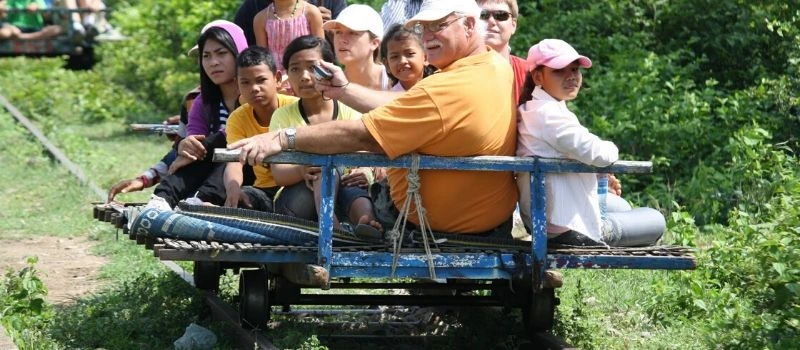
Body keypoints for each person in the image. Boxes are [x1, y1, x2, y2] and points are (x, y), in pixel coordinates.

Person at [230, 0, 519, 236]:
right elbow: (408, 104)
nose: (428, 36)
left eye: (438, 25)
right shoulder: (492, 64)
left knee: (347, 187)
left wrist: (284, 137)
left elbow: (361, 134)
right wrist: (344, 90)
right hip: (485, 216)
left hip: (434, 223)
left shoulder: (447, 87)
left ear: (469, 25)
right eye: (423, 27)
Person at [516, 39, 665, 247]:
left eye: (575, 69)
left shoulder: (535, 108)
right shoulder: (547, 115)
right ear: (538, 77)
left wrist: (596, 177)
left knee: (621, 206)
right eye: (559, 71)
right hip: (562, 228)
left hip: (548, 215)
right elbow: (600, 154)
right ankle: (601, 233)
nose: (571, 76)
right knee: (656, 219)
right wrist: (611, 148)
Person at [268, 35, 378, 231]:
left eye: (312, 67)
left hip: (346, 192)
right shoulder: (282, 116)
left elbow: (368, 157)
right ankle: (329, 225)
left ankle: (366, 223)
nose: (304, 76)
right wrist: (302, 171)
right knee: (323, 169)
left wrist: (366, 172)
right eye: (295, 69)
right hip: (297, 202)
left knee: (355, 190)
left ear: (330, 69)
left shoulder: (350, 110)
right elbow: (279, 174)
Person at [147, 20, 249, 210]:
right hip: (209, 169)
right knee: (195, 156)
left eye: (221, 53)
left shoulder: (255, 96)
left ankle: (201, 201)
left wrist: (206, 145)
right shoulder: (202, 102)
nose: (213, 62)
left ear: (240, 54)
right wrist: (187, 147)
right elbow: (196, 143)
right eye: (206, 56)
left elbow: (237, 137)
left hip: (249, 171)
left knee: (229, 153)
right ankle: (161, 200)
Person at [224, 46, 298, 211]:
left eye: (261, 80)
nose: (254, 88)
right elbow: (234, 162)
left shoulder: (295, 108)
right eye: (245, 82)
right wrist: (233, 188)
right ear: (237, 84)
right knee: (243, 199)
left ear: (277, 79)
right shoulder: (237, 118)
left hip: (295, 185)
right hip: (263, 191)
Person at [323, 4, 391, 91]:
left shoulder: (394, 80)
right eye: (338, 32)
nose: (342, 40)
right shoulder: (329, 85)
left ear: (374, 43)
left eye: (352, 33)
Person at [476, 0, 529, 103]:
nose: (491, 21)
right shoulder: (456, 73)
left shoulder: (529, 73)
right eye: (483, 15)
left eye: (501, 15)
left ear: (513, 25)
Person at [252, 0, 324, 73]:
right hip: (277, 76)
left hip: (306, 73)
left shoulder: (311, 12)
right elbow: (263, 58)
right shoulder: (261, 18)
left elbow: (321, 51)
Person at [234, 0, 346, 46]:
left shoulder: (328, 3)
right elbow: (236, 46)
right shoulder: (254, 9)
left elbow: (348, 43)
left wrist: (330, 28)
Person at [380, 23, 434, 92]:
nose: (402, 61)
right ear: (387, 65)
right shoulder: (391, 97)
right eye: (395, 56)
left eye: (410, 54)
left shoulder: (438, 88)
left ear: (426, 57)